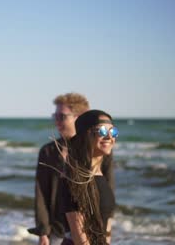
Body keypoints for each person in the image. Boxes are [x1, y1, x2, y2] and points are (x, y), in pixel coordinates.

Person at [29, 93, 114, 245]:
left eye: (62, 117)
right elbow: (41, 192)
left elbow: (107, 189)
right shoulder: (49, 151)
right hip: (56, 230)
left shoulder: (101, 152)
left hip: (91, 232)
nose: (56, 121)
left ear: (78, 117)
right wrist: (43, 231)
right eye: (55, 116)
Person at [61, 110, 118, 245]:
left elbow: (106, 225)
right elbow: (78, 235)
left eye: (113, 131)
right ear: (86, 135)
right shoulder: (74, 179)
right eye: (102, 131)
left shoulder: (101, 175)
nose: (109, 137)